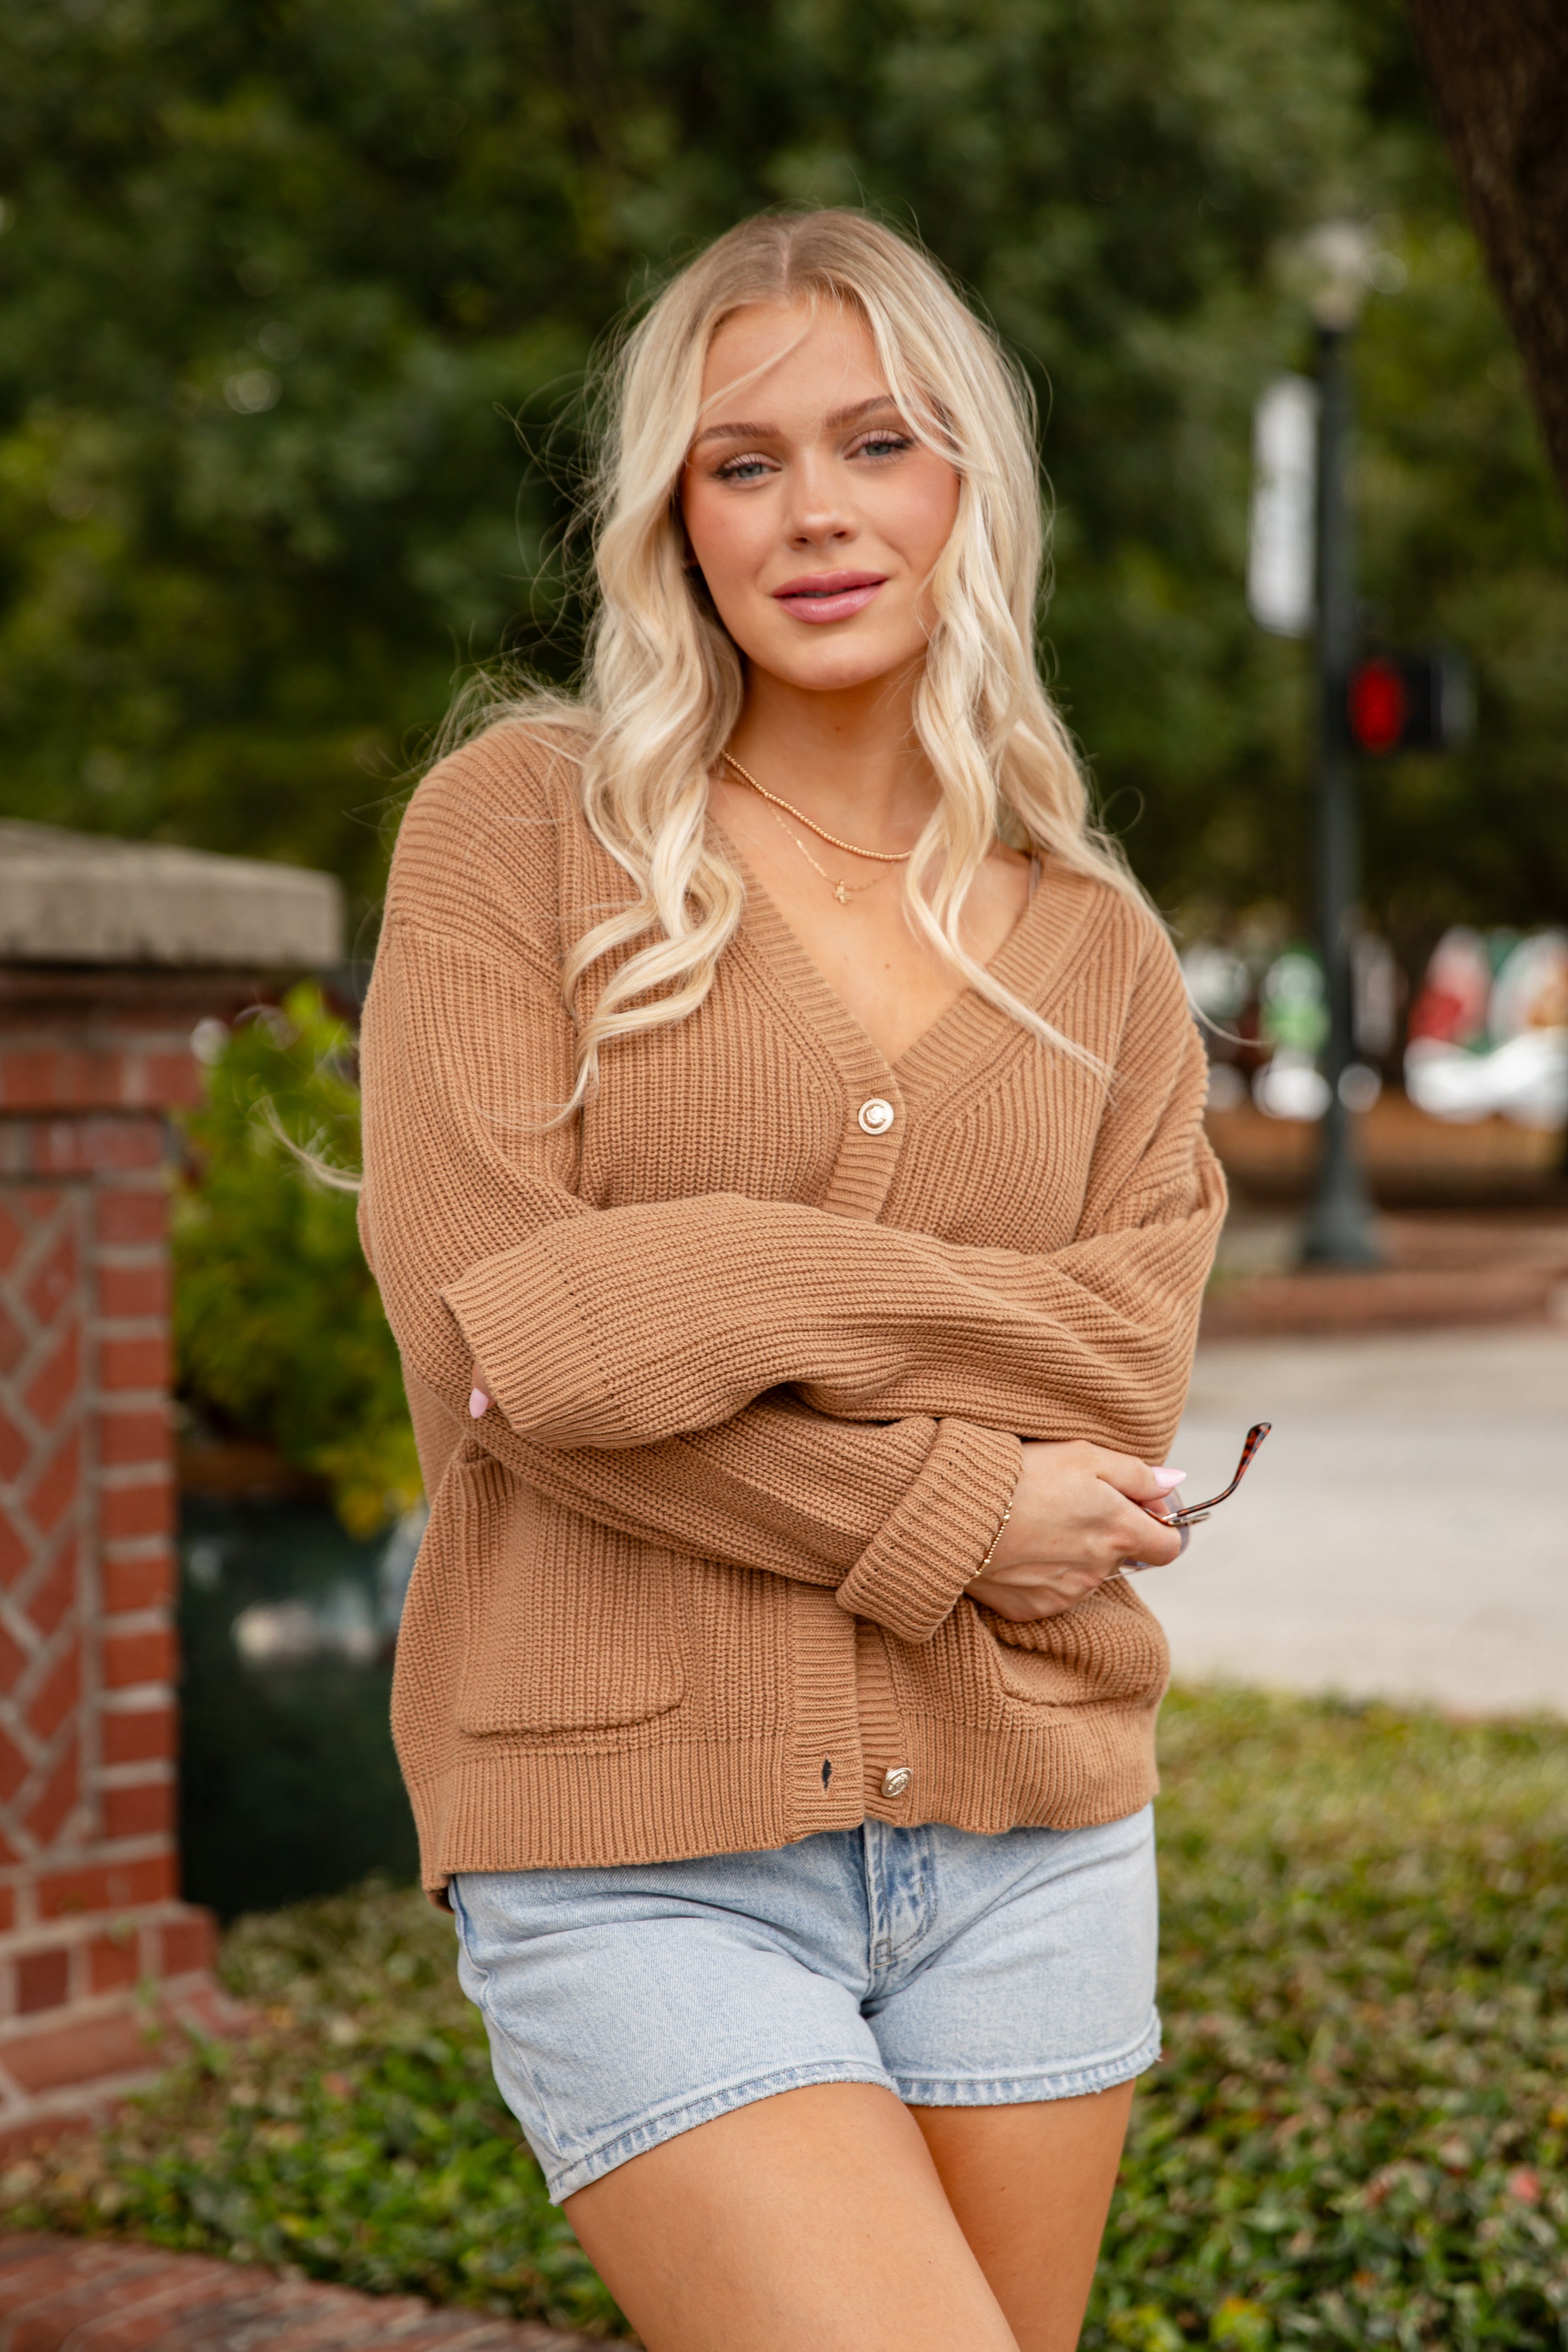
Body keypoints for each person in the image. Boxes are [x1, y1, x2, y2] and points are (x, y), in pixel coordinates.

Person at [358, 207, 1225, 2352]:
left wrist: (684, 1291)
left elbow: (1117, 1358)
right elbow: (504, 1347)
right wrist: (955, 1499)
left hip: (1028, 1824)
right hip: (624, 1840)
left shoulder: (1094, 944)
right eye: (741, 461)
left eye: (879, 441)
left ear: (971, 489)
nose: (813, 510)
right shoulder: (519, 832)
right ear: (672, 514)